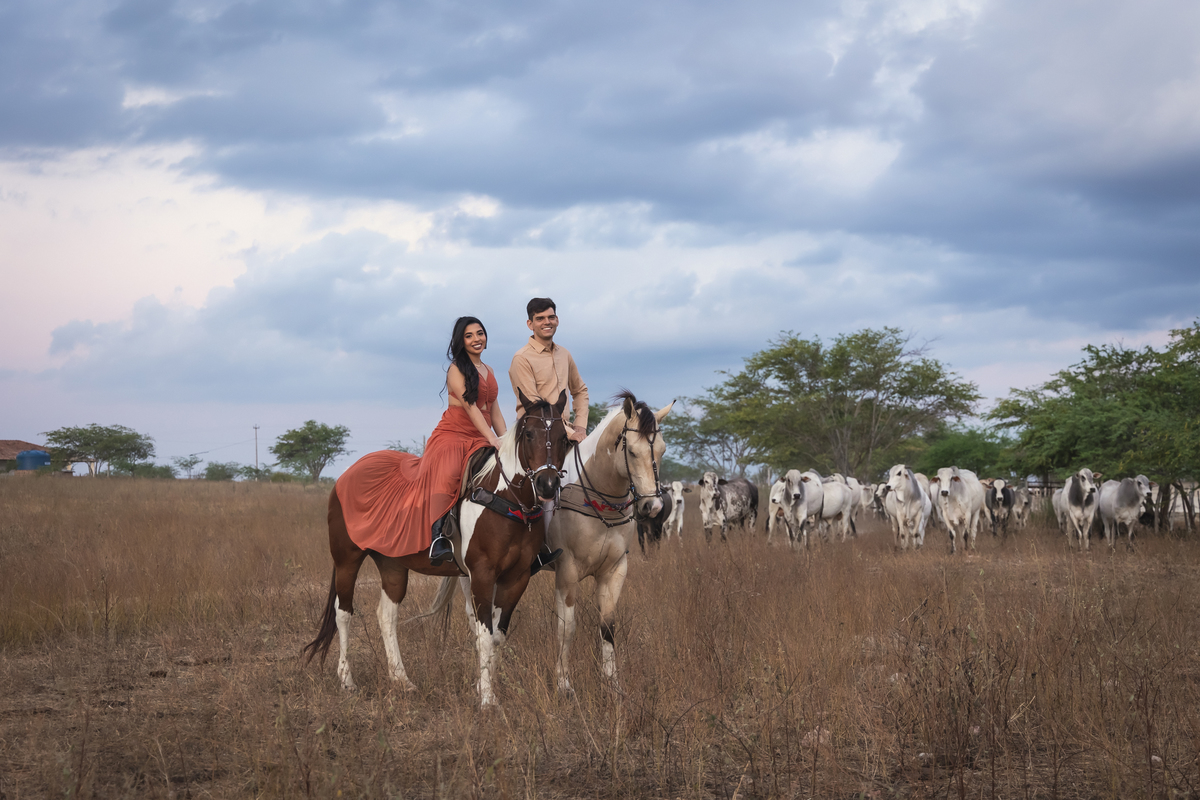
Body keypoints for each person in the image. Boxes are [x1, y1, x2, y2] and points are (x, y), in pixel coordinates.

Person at [334, 316, 505, 567]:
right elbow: (470, 407)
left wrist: (505, 442)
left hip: (481, 437)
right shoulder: (456, 369)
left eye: (480, 333)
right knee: (448, 475)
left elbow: (495, 411)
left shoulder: (489, 371)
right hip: (453, 437)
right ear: (461, 342)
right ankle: (439, 538)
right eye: (469, 336)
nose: (476, 339)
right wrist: (491, 437)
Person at [509, 297, 588, 572]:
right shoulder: (522, 358)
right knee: (544, 488)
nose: (547, 322)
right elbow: (536, 406)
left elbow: (580, 391)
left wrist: (579, 428)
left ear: (557, 320)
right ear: (530, 324)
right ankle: (540, 549)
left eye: (551, 317)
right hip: (534, 436)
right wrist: (566, 430)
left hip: (563, 434)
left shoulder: (564, 354)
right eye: (540, 318)